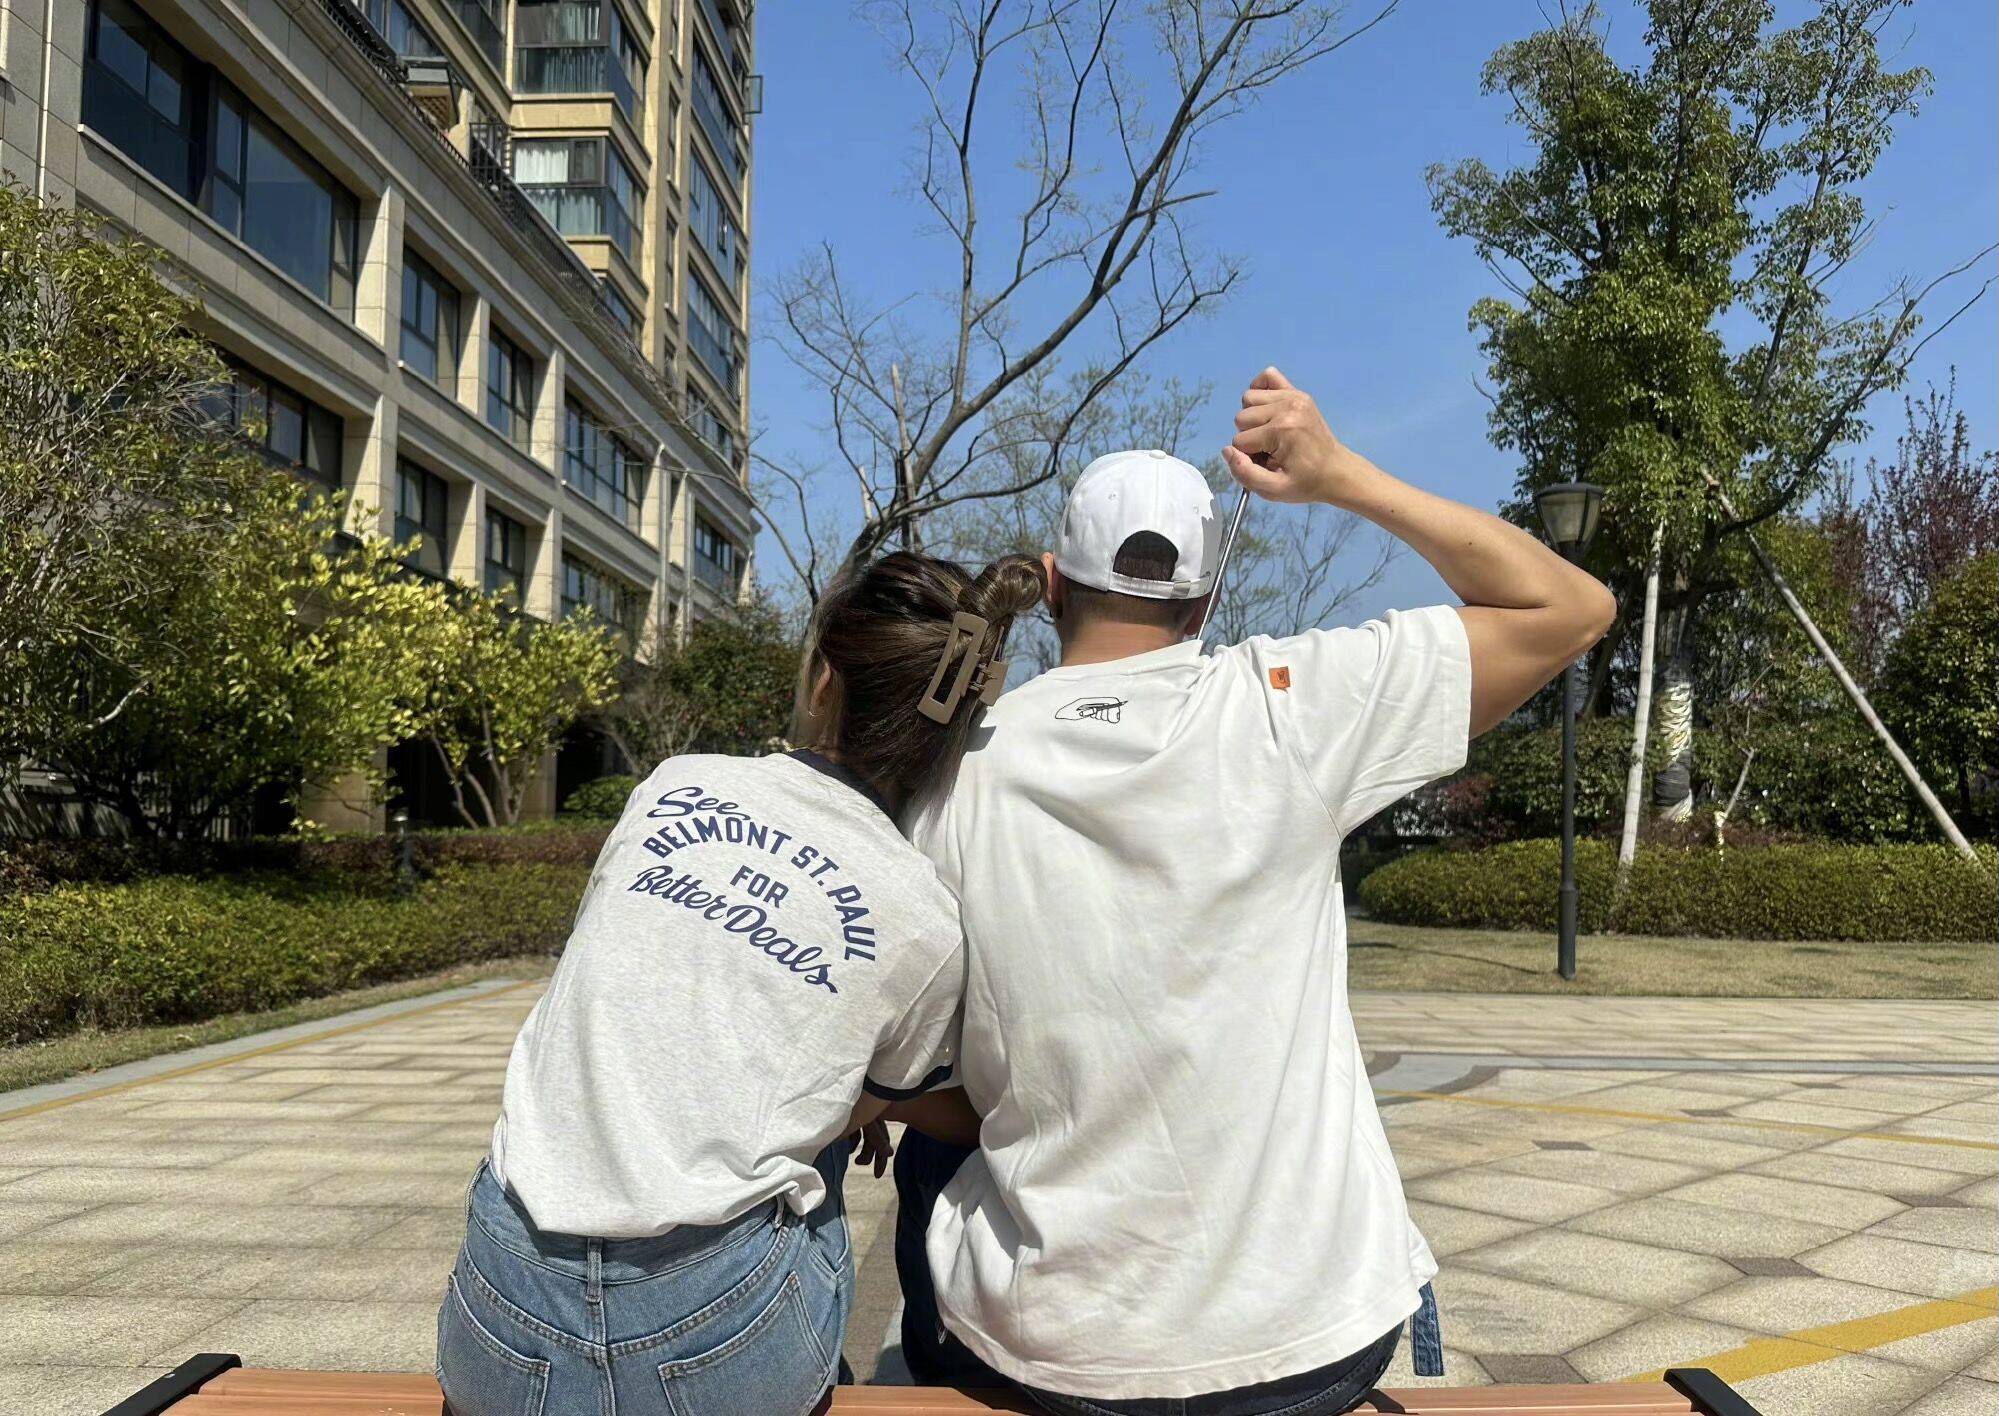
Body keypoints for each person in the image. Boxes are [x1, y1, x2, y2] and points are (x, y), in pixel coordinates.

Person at [894, 368, 1616, 1415]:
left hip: (1056, 1359)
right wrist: (1339, 475)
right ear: (1206, 594)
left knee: (933, 1159)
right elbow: (1572, 606)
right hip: (1305, 1344)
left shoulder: (957, 766)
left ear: (1051, 586)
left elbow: (922, 1060)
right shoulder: (1286, 703)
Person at [434, 550, 1045, 1416]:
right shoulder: (923, 914)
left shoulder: (674, 787)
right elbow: (904, 1109)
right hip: (716, 1348)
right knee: (822, 1127)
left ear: (823, 676)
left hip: (500, 1324)